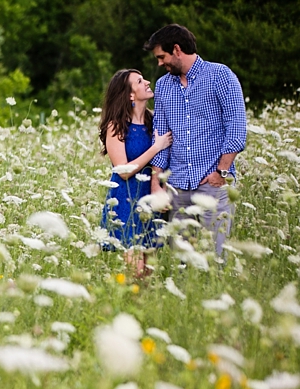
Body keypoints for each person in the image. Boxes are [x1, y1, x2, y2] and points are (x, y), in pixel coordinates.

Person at [145, 24, 247, 259]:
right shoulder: (163, 86)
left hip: (214, 184)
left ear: (177, 49)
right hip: (178, 185)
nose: (160, 63)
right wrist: (156, 183)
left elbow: (237, 126)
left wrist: (221, 172)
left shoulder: (220, 75)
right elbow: (161, 135)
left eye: (162, 57)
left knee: (216, 257)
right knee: (182, 262)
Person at [99, 69, 173, 278]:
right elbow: (123, 170)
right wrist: (155, 147)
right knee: (136, 271)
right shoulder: (116, 126)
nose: (147, 82)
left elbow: (166, 161)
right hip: (125, 200)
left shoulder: (154, 121)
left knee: (148, 271)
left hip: (150, 198)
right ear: (130, 94)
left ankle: (142, 308)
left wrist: (164, 192)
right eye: (140, 81)